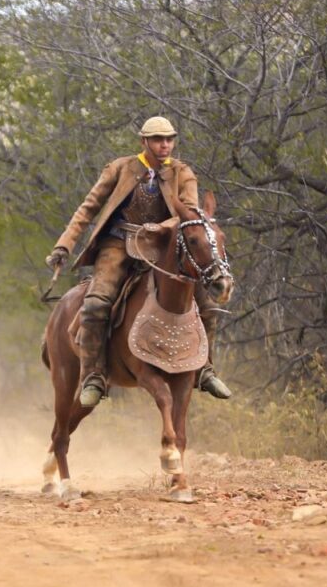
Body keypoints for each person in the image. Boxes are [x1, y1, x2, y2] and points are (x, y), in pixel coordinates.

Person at [45, 116, 231, 408]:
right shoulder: (120, 168)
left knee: (207, 303)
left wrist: (162, 228)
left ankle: (205, 368)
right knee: (96, 302)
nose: (165, 145)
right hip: (119, 244)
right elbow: (88, 208)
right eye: (158, 140)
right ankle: (94, 375)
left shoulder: (183, 173)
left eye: (169, 139)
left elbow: (191, 212)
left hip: (164, 246)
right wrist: (64, 245)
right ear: (144, 141)